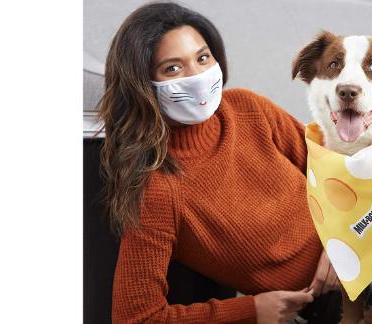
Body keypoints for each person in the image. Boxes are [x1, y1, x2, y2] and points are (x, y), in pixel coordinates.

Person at [98, 2, 342, 323]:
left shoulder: (247, 107)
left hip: (368, 247)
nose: (198, 77)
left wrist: (347, 241)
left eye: (202, 58)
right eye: (173, 68)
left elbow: (337, 170)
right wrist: (251, 310)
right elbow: (136, 317)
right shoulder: (158, 191)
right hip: (332, 303)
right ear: (142, 84)